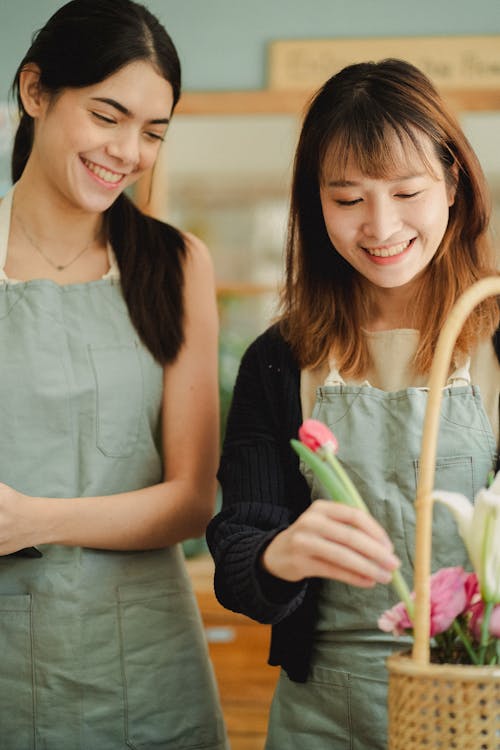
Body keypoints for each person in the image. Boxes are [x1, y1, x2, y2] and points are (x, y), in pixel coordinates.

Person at [207, 58, 500, 749]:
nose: (381, 225)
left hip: (475, 702)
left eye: (407, 192)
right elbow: (237, 556)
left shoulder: (495, 338)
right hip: (323, 712)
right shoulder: (278, 361)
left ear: (453, 183)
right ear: (315, 203)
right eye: (348, 200)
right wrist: (280, 553)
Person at [0, 1, 228, 748]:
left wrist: (34, 519)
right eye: (108, 115)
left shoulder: (176, 265)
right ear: (36, 92)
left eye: (153, 131)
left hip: (144, 662)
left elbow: (194, 500)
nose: (128, 150)